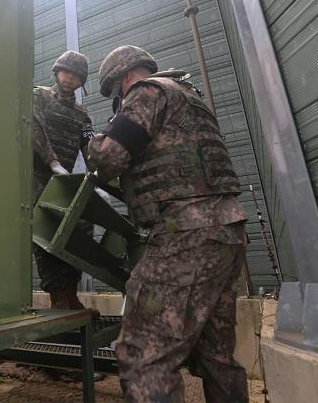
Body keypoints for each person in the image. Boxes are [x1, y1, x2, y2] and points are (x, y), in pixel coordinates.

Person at [87, 45, 249, 402]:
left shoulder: (146, 92)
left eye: (116, 93)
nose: (118, 101)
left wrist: (91, 144)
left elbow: (112, 157)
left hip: (186, 235)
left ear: (125, 78)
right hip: (227, 232)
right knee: (217, 357)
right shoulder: (191, 99)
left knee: (144, 355)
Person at [32, 50, 94, 310]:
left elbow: (90, 148)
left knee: (78, 229)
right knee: (44, 231)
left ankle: (70, 293)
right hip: (35, 177)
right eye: (66, 71)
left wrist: (99, 180)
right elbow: (33, 126)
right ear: (57, 72)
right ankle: (58, 296)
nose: (70, 78)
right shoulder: (39, 95)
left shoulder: (82, 113)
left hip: (62, 180)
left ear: (82, 81)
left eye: (76, 75)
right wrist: (52, 160)